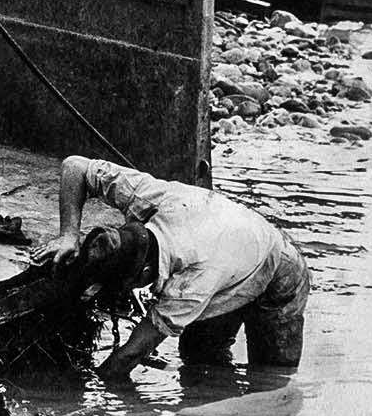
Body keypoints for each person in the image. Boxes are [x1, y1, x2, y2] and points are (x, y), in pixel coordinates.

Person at [31, 155, 311, 381]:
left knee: (271, 380)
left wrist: (92, 388)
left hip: (279, 272)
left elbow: (132, 353)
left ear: (142, 275)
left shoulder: (191, 284)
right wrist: (68, 235)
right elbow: (75, 167)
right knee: (198, 359)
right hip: (232, 252)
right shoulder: (152, 199)